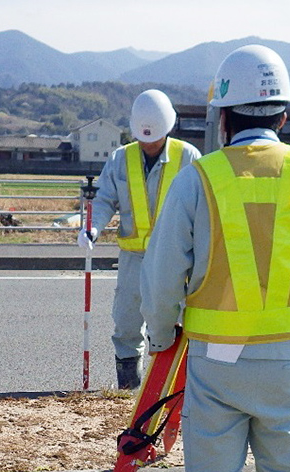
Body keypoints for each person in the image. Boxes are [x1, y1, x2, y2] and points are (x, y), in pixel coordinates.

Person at [140, 45, 290, 472]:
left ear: (223, 116)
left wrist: (163, 334)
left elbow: (163, 272)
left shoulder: (198, 178)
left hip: (216, 362)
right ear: (285, 116)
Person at [77, 89, 201, 389]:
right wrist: (92, 226)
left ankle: (178, 390)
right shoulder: (122, 158)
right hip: (133, 257)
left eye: (155, 137)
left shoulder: (189, 157)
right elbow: (106, 199)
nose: (149, 142)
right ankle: (129, 392)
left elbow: (202, 207)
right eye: (143, 137)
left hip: (177, 258)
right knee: (127, 325)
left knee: (179, 322)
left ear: (168, 127)